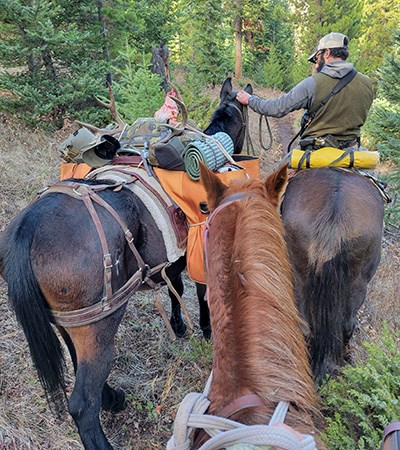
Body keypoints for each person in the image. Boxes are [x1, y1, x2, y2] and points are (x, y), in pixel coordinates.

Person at [236, 32, 374, 151]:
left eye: (316, 58)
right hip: (353, 150)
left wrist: (250, 100)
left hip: (317, 150)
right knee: (374, 180)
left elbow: (276, 108)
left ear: (326, 53)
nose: (315, 63)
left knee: (280, 176)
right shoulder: (367, 82)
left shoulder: (312, 83)